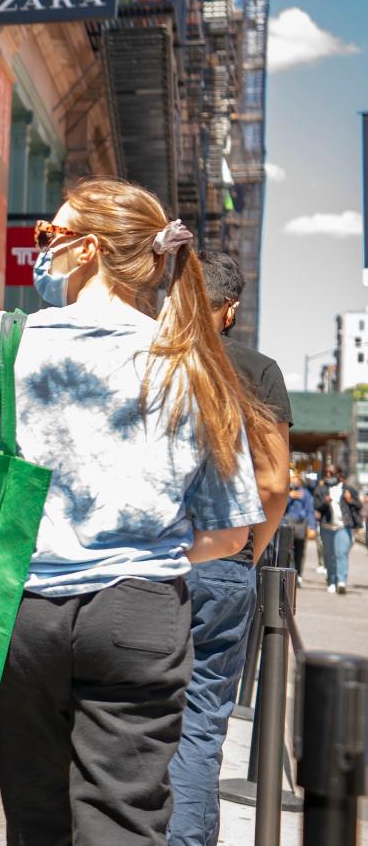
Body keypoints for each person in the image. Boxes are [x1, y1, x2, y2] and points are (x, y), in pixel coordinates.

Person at [0, 177, 270, 844]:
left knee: (36, 820)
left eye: (47, 237)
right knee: (126, 819)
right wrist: (157, 553)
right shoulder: (194, 363)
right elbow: (230, 529)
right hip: (142, 611)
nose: (39, 251)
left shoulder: (5, 338)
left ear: (86, 249)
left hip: (24, 607)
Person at [166, 251, 291, 846]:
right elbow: (273, 482)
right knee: (197, 727)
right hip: (222, 564)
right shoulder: (256, 370)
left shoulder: (148, 358)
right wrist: (247, 550)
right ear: (231, 309)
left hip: (141, 564)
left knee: (119, 723)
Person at [313, 465, 356, 594]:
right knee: (329, 555)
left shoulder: (347, 489)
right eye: (325, 472)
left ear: (338, 474)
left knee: (341, 553)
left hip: (343, 526)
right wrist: (325, 502)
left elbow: (358, 505)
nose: (328, 474)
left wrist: (350, 500)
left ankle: (341, 581)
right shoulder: (321, 489)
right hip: (326, 526)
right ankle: (331, 581)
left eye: (331, 472)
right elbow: (316, 506)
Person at [283, 468, 317, 583]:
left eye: (297, 479)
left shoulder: (306, 493)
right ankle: (290, 573)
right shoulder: (285, 492)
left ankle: (299, 575)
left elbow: (310, 511)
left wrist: (312, 527)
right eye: (293, 479)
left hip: (301, 525)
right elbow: (280, 509)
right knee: (288, 551)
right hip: (288, 525)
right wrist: (290, 496)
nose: (295, 481)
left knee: (300, 551)